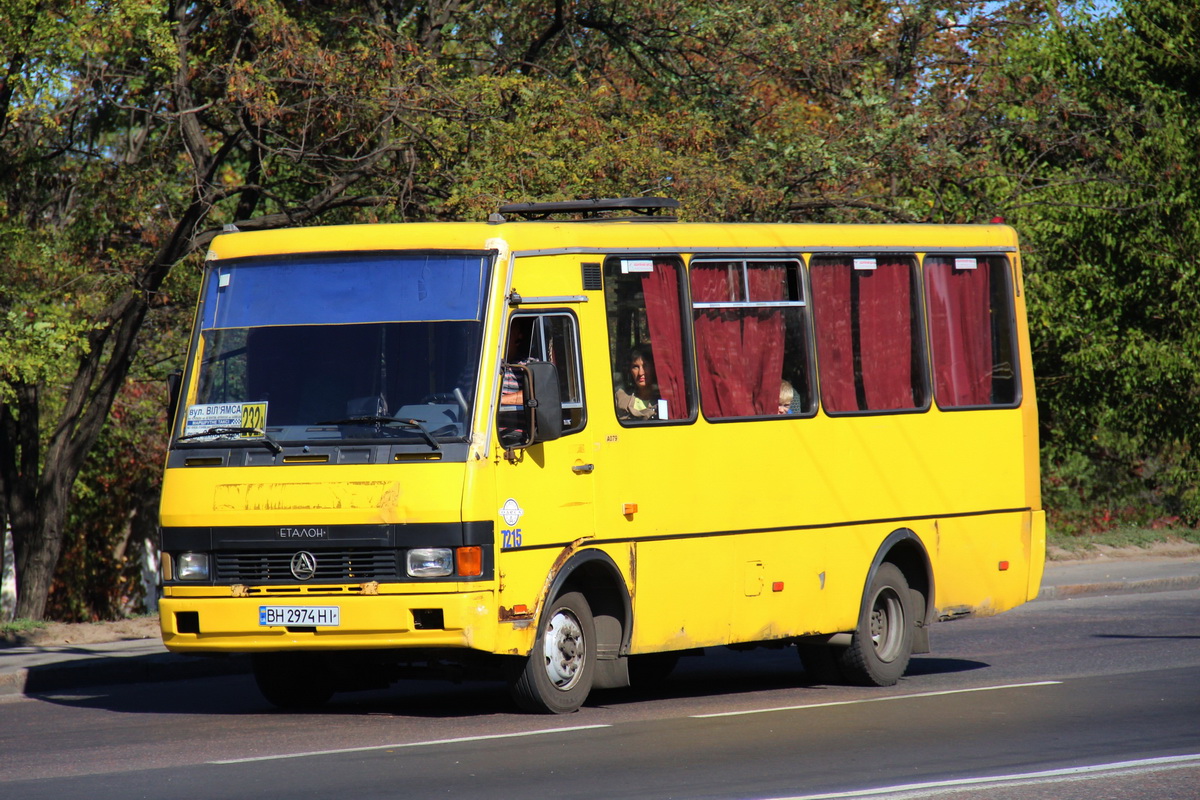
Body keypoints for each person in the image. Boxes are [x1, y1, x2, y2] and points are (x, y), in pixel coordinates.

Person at [615, 347, 659, 420]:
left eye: (645, 366)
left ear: (653, 368)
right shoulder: (620, 397)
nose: (641, 373)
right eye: (635, 367)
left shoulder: (664, 399)